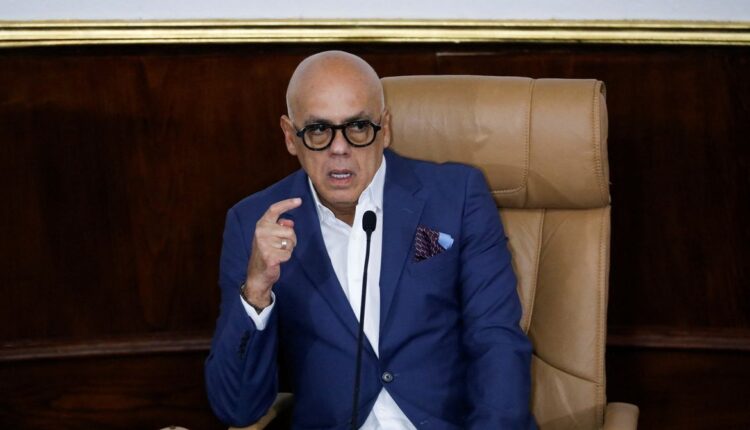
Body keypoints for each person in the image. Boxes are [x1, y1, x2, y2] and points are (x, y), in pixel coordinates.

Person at [205, 50, 536, 429]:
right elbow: (236, 408)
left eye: (359, 126)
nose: (339, 148)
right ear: (290, 136)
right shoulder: (255, 223)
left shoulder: (457, 196)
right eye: (318, 130)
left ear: (385, 128)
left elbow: (496, 341)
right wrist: (257, 290)